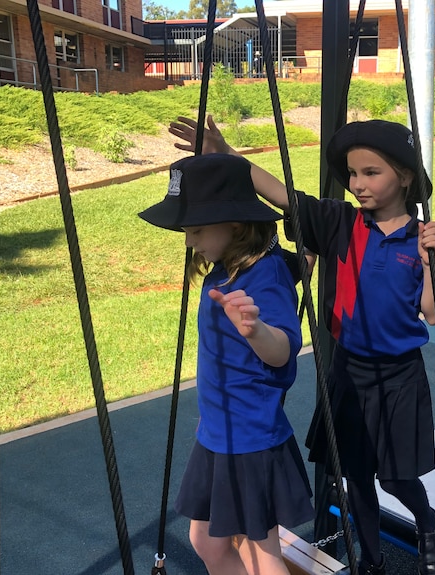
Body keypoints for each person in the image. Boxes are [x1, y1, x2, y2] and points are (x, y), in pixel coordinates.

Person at [169, 116, 435, 575]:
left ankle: (427, 524)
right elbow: (281, 193)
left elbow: (434, 311)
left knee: (397, 474)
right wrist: (224, 155)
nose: (357, 184)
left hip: (401, 373)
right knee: (356, 475)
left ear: (403, 176)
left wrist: (431, 263)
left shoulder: (427, 240)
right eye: (352, 174)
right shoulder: (340, 222)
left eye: (370, 173)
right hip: (349, 368)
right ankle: (371, 560)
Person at [138, 153, 314, 575]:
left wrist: (256, 332)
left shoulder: (264, 276)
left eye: (196, 230)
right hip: (218, 430)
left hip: (250, 437)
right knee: (206, 542)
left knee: (262, 552)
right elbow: (301, 261)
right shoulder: (229, 269)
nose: (188, 241)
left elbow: (285, 350)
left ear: (234, 226)